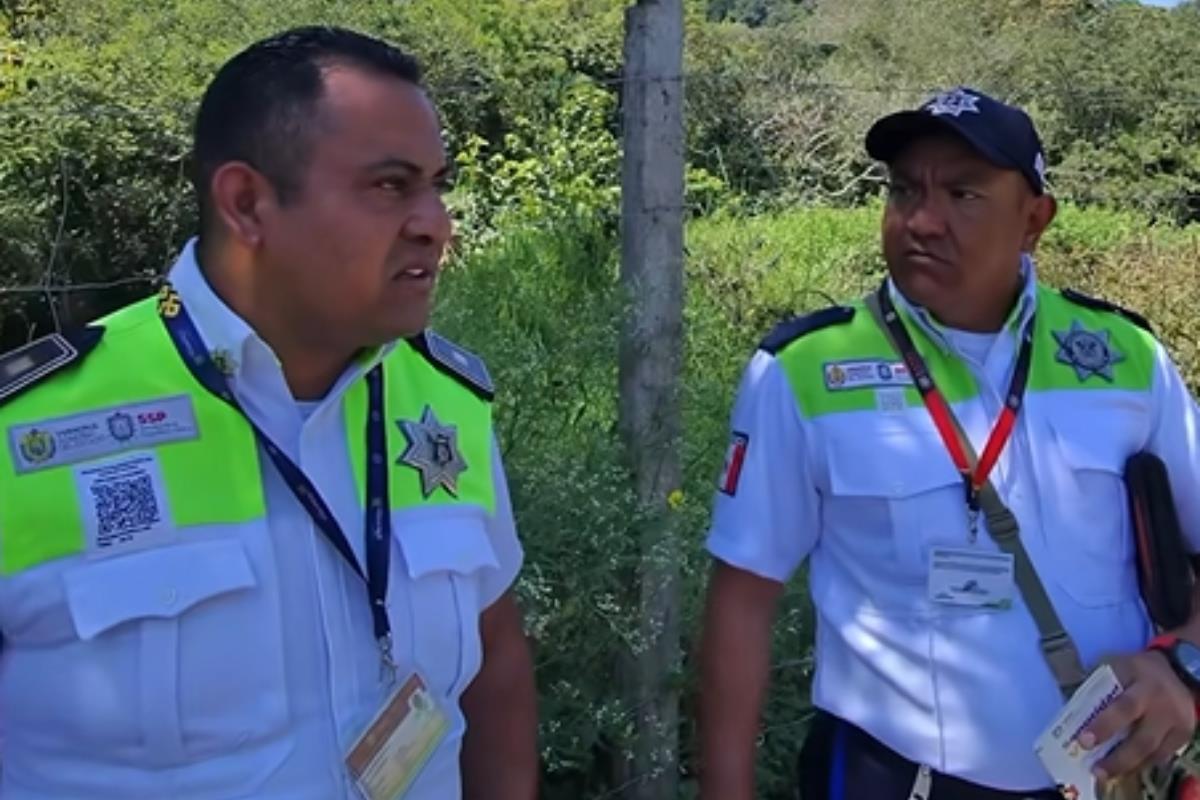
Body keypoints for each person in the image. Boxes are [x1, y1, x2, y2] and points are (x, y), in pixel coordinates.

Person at [0, 26, 537, 799]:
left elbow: (496, 665)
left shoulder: (445, 405)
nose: (435, 222)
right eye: (390, 186)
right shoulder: (31, 434)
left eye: (435, 184)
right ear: (247, 203)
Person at [697, 86, 1200, 799]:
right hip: (888, 778)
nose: (921, 220)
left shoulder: (1125, 357)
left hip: (1103, 779)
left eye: (963, 194)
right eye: (904, 190)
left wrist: (1184, 665)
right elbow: (741, 604)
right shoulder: (802, 371)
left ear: (1035, 220)